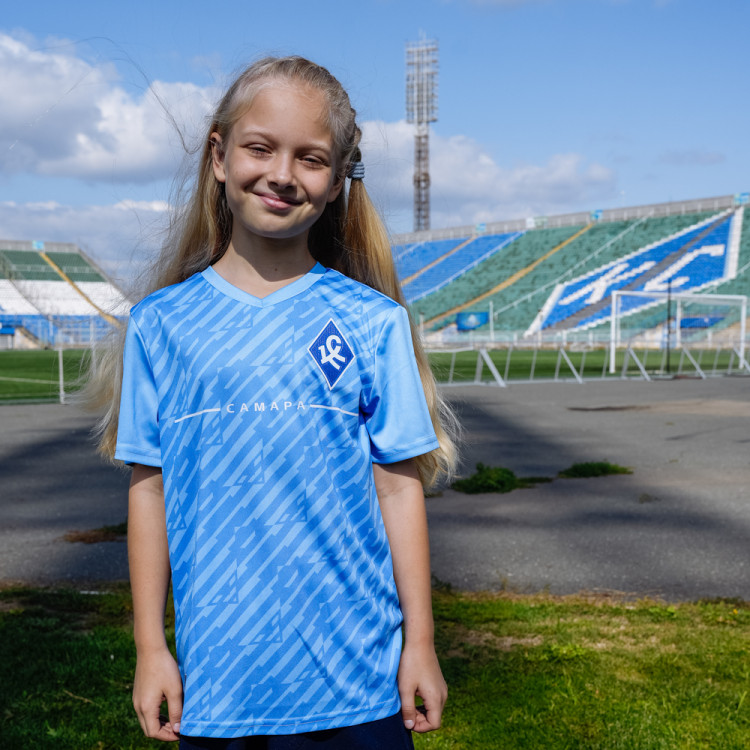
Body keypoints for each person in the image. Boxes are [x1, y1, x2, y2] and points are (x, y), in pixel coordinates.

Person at [94, 55, 458, 749]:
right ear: (219, 156)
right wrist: (150, 647)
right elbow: (150, 488)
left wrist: (420, 642)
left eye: (311, 158)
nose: (283, 174)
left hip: (359, 686)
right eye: (260, 148)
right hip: (220, 690)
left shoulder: (372, 322)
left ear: (337, 180)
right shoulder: (161, 325)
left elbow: (397, 487)